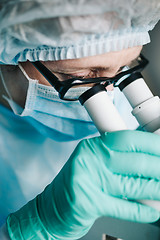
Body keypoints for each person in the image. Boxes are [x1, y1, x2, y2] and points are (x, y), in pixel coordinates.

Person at [0, 1, 160, 239]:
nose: (108, 93)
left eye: (122, 68)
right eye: (80, 77)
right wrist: (36, 226)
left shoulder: (126, 104)